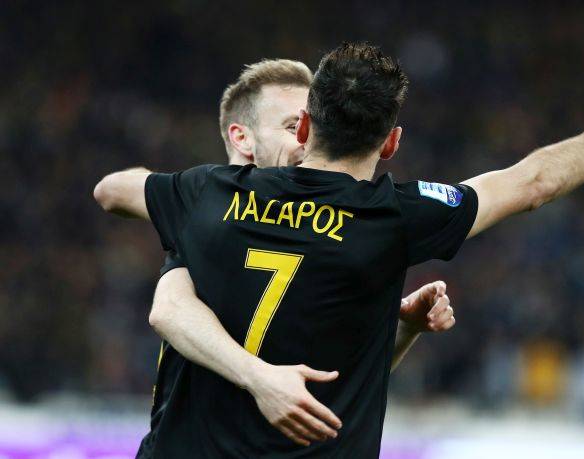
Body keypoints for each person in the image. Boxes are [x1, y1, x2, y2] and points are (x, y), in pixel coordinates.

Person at [94, 42, 584, 457]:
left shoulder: (210, 194)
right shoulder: (392, 220)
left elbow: (114, 191)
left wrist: (400, 329)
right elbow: (531, 183)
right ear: (392, 142)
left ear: (306, 128)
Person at [95, 57, 456, 456]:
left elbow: (327, 383)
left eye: (314, 126)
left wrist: (405, 329)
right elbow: (168, 309)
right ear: (243, 139)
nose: (308, 140)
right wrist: (259, 377)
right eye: (293, 126)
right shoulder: (210, 215)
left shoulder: (317, 241)